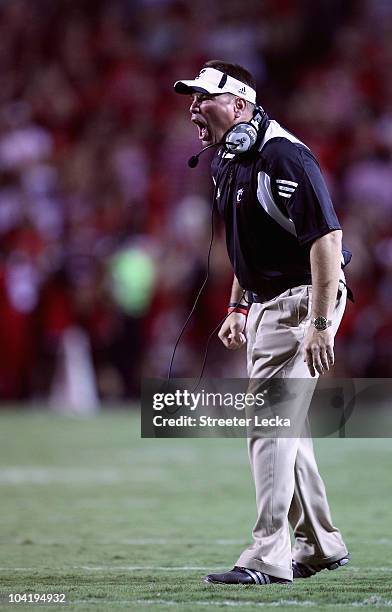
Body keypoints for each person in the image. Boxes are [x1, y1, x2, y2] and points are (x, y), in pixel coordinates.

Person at [173, 60, 351, 585]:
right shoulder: (228, 158)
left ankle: (269, 556)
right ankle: (321, 543)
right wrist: (236, 304)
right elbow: (245, 248)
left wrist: (319, 320)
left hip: (302, 302)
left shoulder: (284, 156)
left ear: (241, 106)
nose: (193, 108)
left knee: (267, 423)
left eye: (204, 97)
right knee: (285, 428)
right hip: (269, 304)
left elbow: (327, 240)